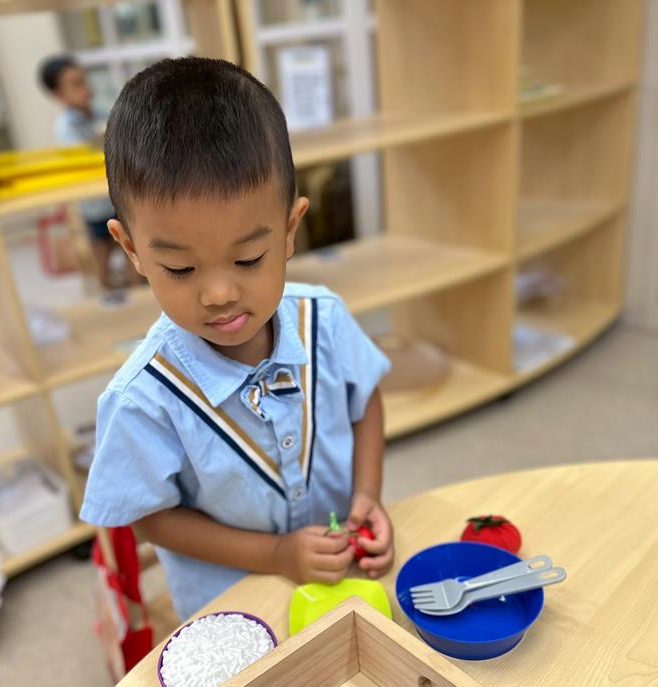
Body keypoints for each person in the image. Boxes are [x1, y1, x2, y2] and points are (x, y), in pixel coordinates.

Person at [79, 57, 395, 619]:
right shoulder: (142, 398)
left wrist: (366, 494)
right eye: (180, 269)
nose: (220, 294)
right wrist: (274, 554)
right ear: (131, 250)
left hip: (341, 568)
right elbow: (153, 519)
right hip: (230, 605)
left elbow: (364, 398)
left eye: (249, 258)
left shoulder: (323, 318)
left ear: (290, 229)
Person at [39, 55, 124, 289]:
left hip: (116, 196)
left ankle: (134, 290)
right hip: (94, 205)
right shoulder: (66, 127)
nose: (86, 88)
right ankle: (105, 291)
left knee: (130, 245)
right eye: (76, 84)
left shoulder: (100, 113)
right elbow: (82, 159)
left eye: (84, 80)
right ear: (58, 94)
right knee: (101, 251)